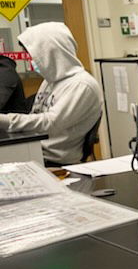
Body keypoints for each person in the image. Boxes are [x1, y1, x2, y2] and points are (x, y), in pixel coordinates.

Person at [0, 22, 103, 165]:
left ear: (51, 52)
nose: (32, 60)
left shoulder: (82, 85)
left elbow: (50, 123)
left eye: (34, 55)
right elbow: (35, 116)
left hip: (53, 161)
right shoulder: (49, 82)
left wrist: (4, 121)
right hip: (33, 150)